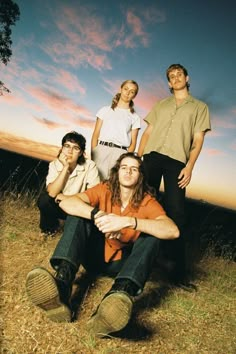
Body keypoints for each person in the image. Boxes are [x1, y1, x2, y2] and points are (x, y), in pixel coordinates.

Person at [26, 152, 179, 337]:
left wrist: (128, 222)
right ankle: (62, 284)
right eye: (124, 167)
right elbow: (68, 203)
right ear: (117, 171)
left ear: (141, 175)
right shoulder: (105, 188)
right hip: (94, 256)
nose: (128, 172)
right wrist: (99, 215)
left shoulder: (147, 201)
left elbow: (172, 230)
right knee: (79, 213)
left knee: (153, 235)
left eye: (134, 169)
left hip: (121, 266)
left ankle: (118, 296)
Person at [138, 63, 211, 290]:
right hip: (151, 157)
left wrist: (189, 167)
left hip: (177, 162)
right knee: (141, 204)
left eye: (179, 74)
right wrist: (136, 160)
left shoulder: (199, 107)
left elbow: (198, 140)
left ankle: (177, 273)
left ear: (187, 78)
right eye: (172, 76)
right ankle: (134, 261)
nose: (176, 78)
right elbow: (148, 132)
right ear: (169, 83)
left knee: (176, 212)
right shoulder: (161, 104)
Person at [37, 131, 100, 236]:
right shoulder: (54, 165)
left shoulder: (90, 166)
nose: (70, 151)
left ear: (80, 153)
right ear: (62, 149)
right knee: (44, 199)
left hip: (79, 207)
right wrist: (65, 167)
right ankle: (49, 229)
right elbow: (52, 193)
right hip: (60, 206)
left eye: (75, 148)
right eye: (67, 146)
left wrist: (64, 197)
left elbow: (95, 196)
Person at [91, 80, 141, 180]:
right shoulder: (105, 110)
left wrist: (125, 159)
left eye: (132, 92)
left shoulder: (134, 117)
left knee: (113, 186)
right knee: (94, 183)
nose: (127, 93)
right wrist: (94, 152)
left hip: (120, 153)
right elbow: (95, 134)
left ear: (134, 96)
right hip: (101, 150)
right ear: (121, 89)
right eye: (126, 89)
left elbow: (133, 142)